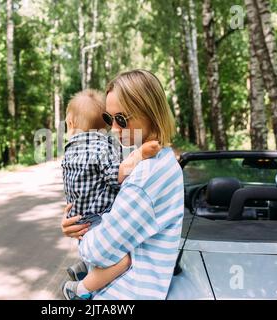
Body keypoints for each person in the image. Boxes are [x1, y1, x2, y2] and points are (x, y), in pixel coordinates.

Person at [61, 70, 184, 300]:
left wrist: (80, 234)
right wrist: (78, 222)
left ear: (150, 112)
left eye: (121, 119)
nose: (114, 129)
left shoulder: (146, 176)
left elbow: (98, 252)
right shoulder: (160, 160)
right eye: (109, 119)